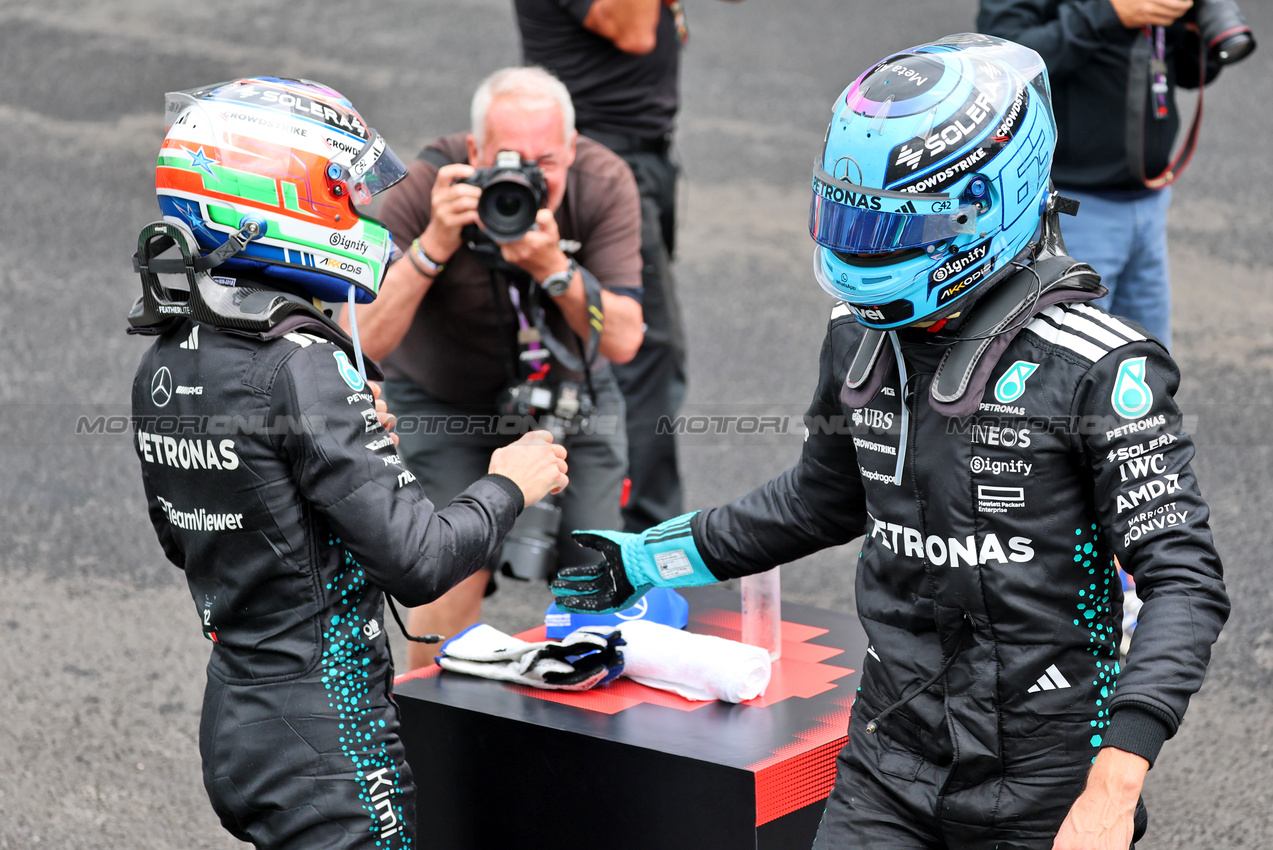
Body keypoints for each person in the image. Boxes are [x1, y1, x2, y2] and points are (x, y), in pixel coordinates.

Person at [552, 36, 1229, 849]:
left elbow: (1184, 581)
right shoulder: (858, 337)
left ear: (988, 201)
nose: (864, 254)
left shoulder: (1100, 368)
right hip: (889, 753)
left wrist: (1114, 786)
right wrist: (640, 559)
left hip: (1050, 780)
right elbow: (816, 501)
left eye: (891, 231)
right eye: (848, 222)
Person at [128, 77, 569, 850]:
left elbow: (194, 536)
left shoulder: (166, 357)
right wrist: (511, 483)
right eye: (340, 194)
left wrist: (337, 456)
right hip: (329, 743)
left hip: (239, 721)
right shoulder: (299, 364)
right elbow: (421, 559)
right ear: (280, 200)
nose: (357, 213)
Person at [343, 66, 644, 670]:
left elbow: (624, 341)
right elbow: (361, 341)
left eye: (548, 162)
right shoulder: (424, 183)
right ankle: (438, 724)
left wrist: (554, 267)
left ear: (574, 146)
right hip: (443, 398)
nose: (528, 178)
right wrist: (432, 246)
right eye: (510, 159)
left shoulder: (604, 179)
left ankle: (589, 723)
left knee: (601, 571)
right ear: (475, 151)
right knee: (446, 562)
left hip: (572, 393)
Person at [515, 0, 742, 532]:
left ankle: (606, 529)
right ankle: (642, 544)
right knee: (642, 356)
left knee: (621, 354)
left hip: (642, 153)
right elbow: (634, 28)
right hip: (596, 164)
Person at [977, 0, 1223, 350]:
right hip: (1072, 206)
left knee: (1147, 359)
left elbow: (1186, 70)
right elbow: (1001, 62)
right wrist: (1110, 14)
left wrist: (1197, 28)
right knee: (1069, 359)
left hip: (1148, 203)